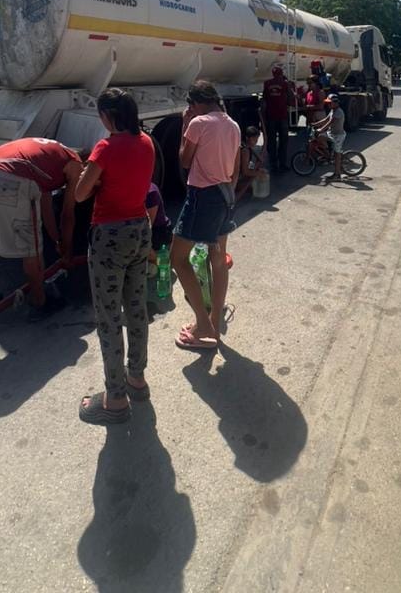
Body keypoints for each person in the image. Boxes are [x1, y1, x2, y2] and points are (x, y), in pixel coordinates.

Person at [75, 89, 156, 425]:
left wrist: (92, 181)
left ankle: (115, 399)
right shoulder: (147, 142)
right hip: (140, 229)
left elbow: (80, 194)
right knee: (136, 307)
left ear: (109, 115)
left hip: (110, 237)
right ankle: (136, 378)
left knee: (109, 317)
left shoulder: (105, 148)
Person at [0, 137, 82, 319]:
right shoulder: (76, 164)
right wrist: (67, 251)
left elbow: (46, 206)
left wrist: (56, 240)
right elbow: (67, 214)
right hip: (12, 177)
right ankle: (39, 302)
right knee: (31, 247)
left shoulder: (51, 157)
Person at [171, 80, 240, 350]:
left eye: (190, 105)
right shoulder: (232, 124)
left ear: (196, 103)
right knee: (218, 259)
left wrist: (184, 127)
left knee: (178, 258)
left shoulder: (198, 124)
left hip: (203, 196)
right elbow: (234, 168)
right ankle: (212, 319)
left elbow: (185, 161)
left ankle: (202, 326)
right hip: (225, 195)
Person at [261, 65, 295, 174]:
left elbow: (264, 100)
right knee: (283, 141)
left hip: (270, 117)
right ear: (281, 74)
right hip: (282, 116)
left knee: (271, 142)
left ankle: (273, 165)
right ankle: (283, 164)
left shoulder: (267, 84)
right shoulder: (285, 84)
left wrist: (263, 117)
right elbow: (290, 98)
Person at [312, 93, 346, 181]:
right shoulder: (332, 110)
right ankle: (327, 154)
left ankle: (337, 174)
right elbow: (326, 119)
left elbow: (330, 122)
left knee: (337, 155)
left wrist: (321, 129)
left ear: (335, 103)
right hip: (331, 133)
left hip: (338, 135)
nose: (328, 104)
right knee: (319, 137)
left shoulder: (338, 112)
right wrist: (315, 124)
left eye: (329, 103)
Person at [235, 125, 268, 202]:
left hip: (240, 175)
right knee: (256, 184)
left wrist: (257, 169)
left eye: (257, 140)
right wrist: (258, 173)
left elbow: (251, 163)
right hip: (237, 179)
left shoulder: (246, 146)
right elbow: (245, 171)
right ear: (247, 138)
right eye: (254, 139)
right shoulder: (245, 150)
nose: (256, 142)